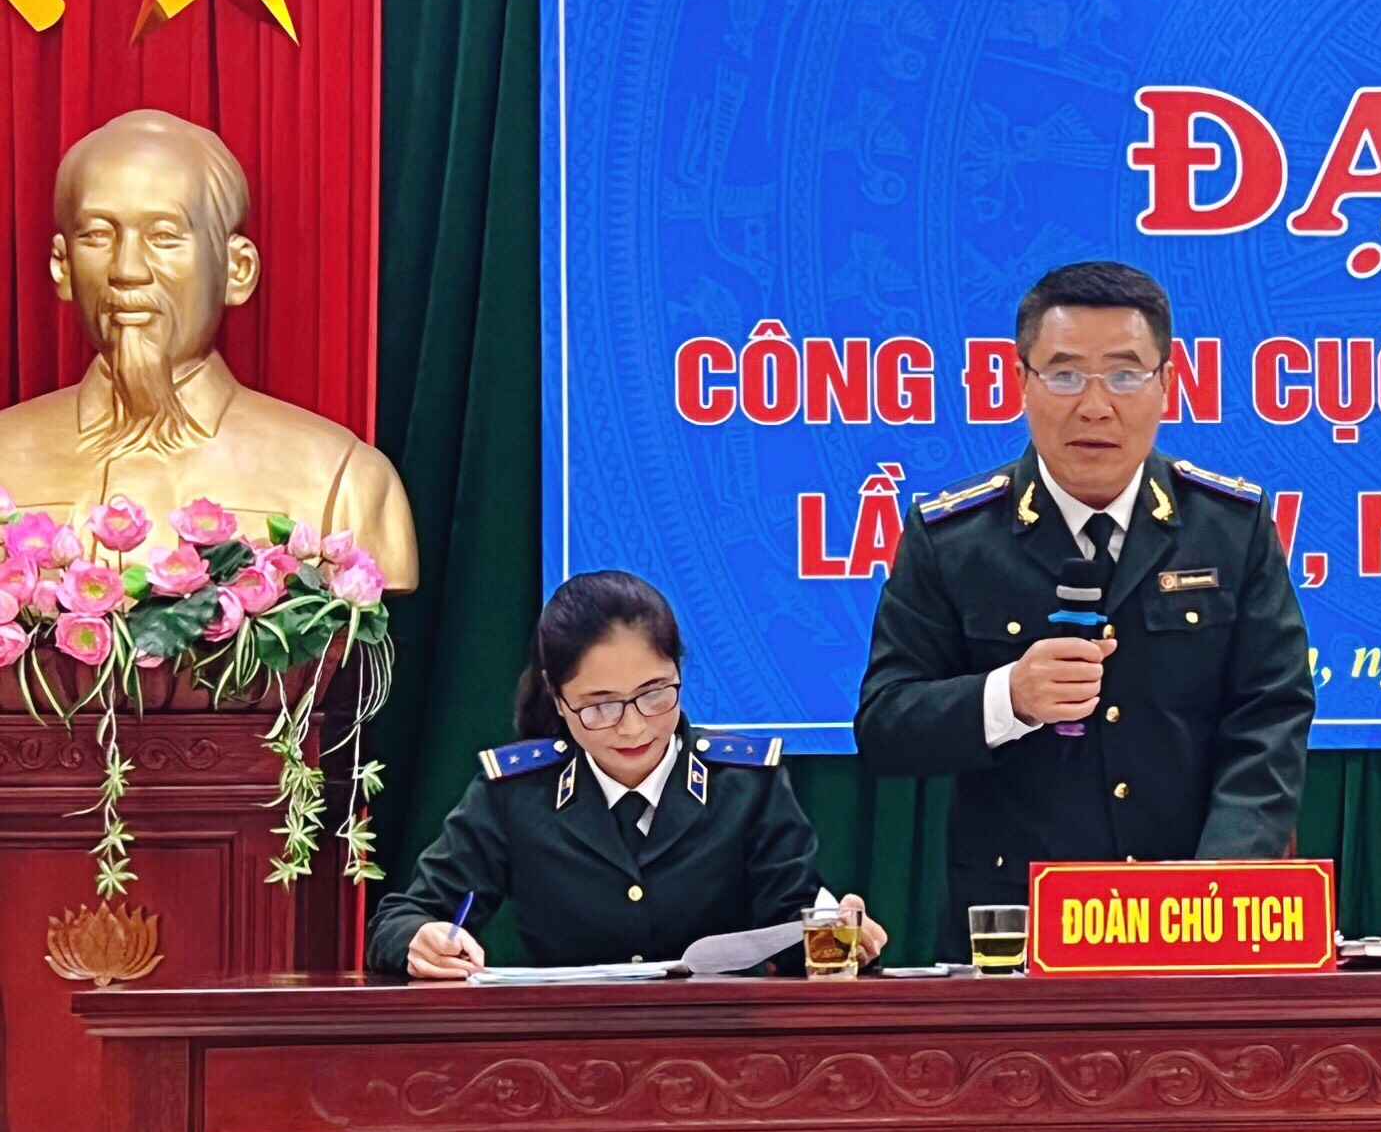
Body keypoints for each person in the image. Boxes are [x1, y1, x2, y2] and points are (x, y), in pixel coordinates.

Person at [856, 260, 1315, 961]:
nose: (1096, 406)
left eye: (1125, 375)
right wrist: (1008, 697)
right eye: (1065, 375)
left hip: (1192, 922)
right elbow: (885, 726)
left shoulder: (1230, 528)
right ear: (1020, 382)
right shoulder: (953, 539)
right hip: (1014, 933)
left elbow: (1271, 716)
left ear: (1167, 383)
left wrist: (1219, 886)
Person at [367, 571, 884, 979]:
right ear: (558, 698)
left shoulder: (745, 784)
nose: (634, 726)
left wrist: (839, 939)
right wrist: (419, 939)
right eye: (600, 706)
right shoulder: (515, 793)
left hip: (723, 1049)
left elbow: (791, 928)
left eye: (655, 694)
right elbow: (402, 918)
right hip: (567, 1050)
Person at [0, 109, 417, 588]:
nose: (127, 270)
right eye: (97, 235)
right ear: (62, 266)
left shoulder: (342, 483)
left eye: (163, 236)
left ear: (237, 270)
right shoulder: (7, 456)